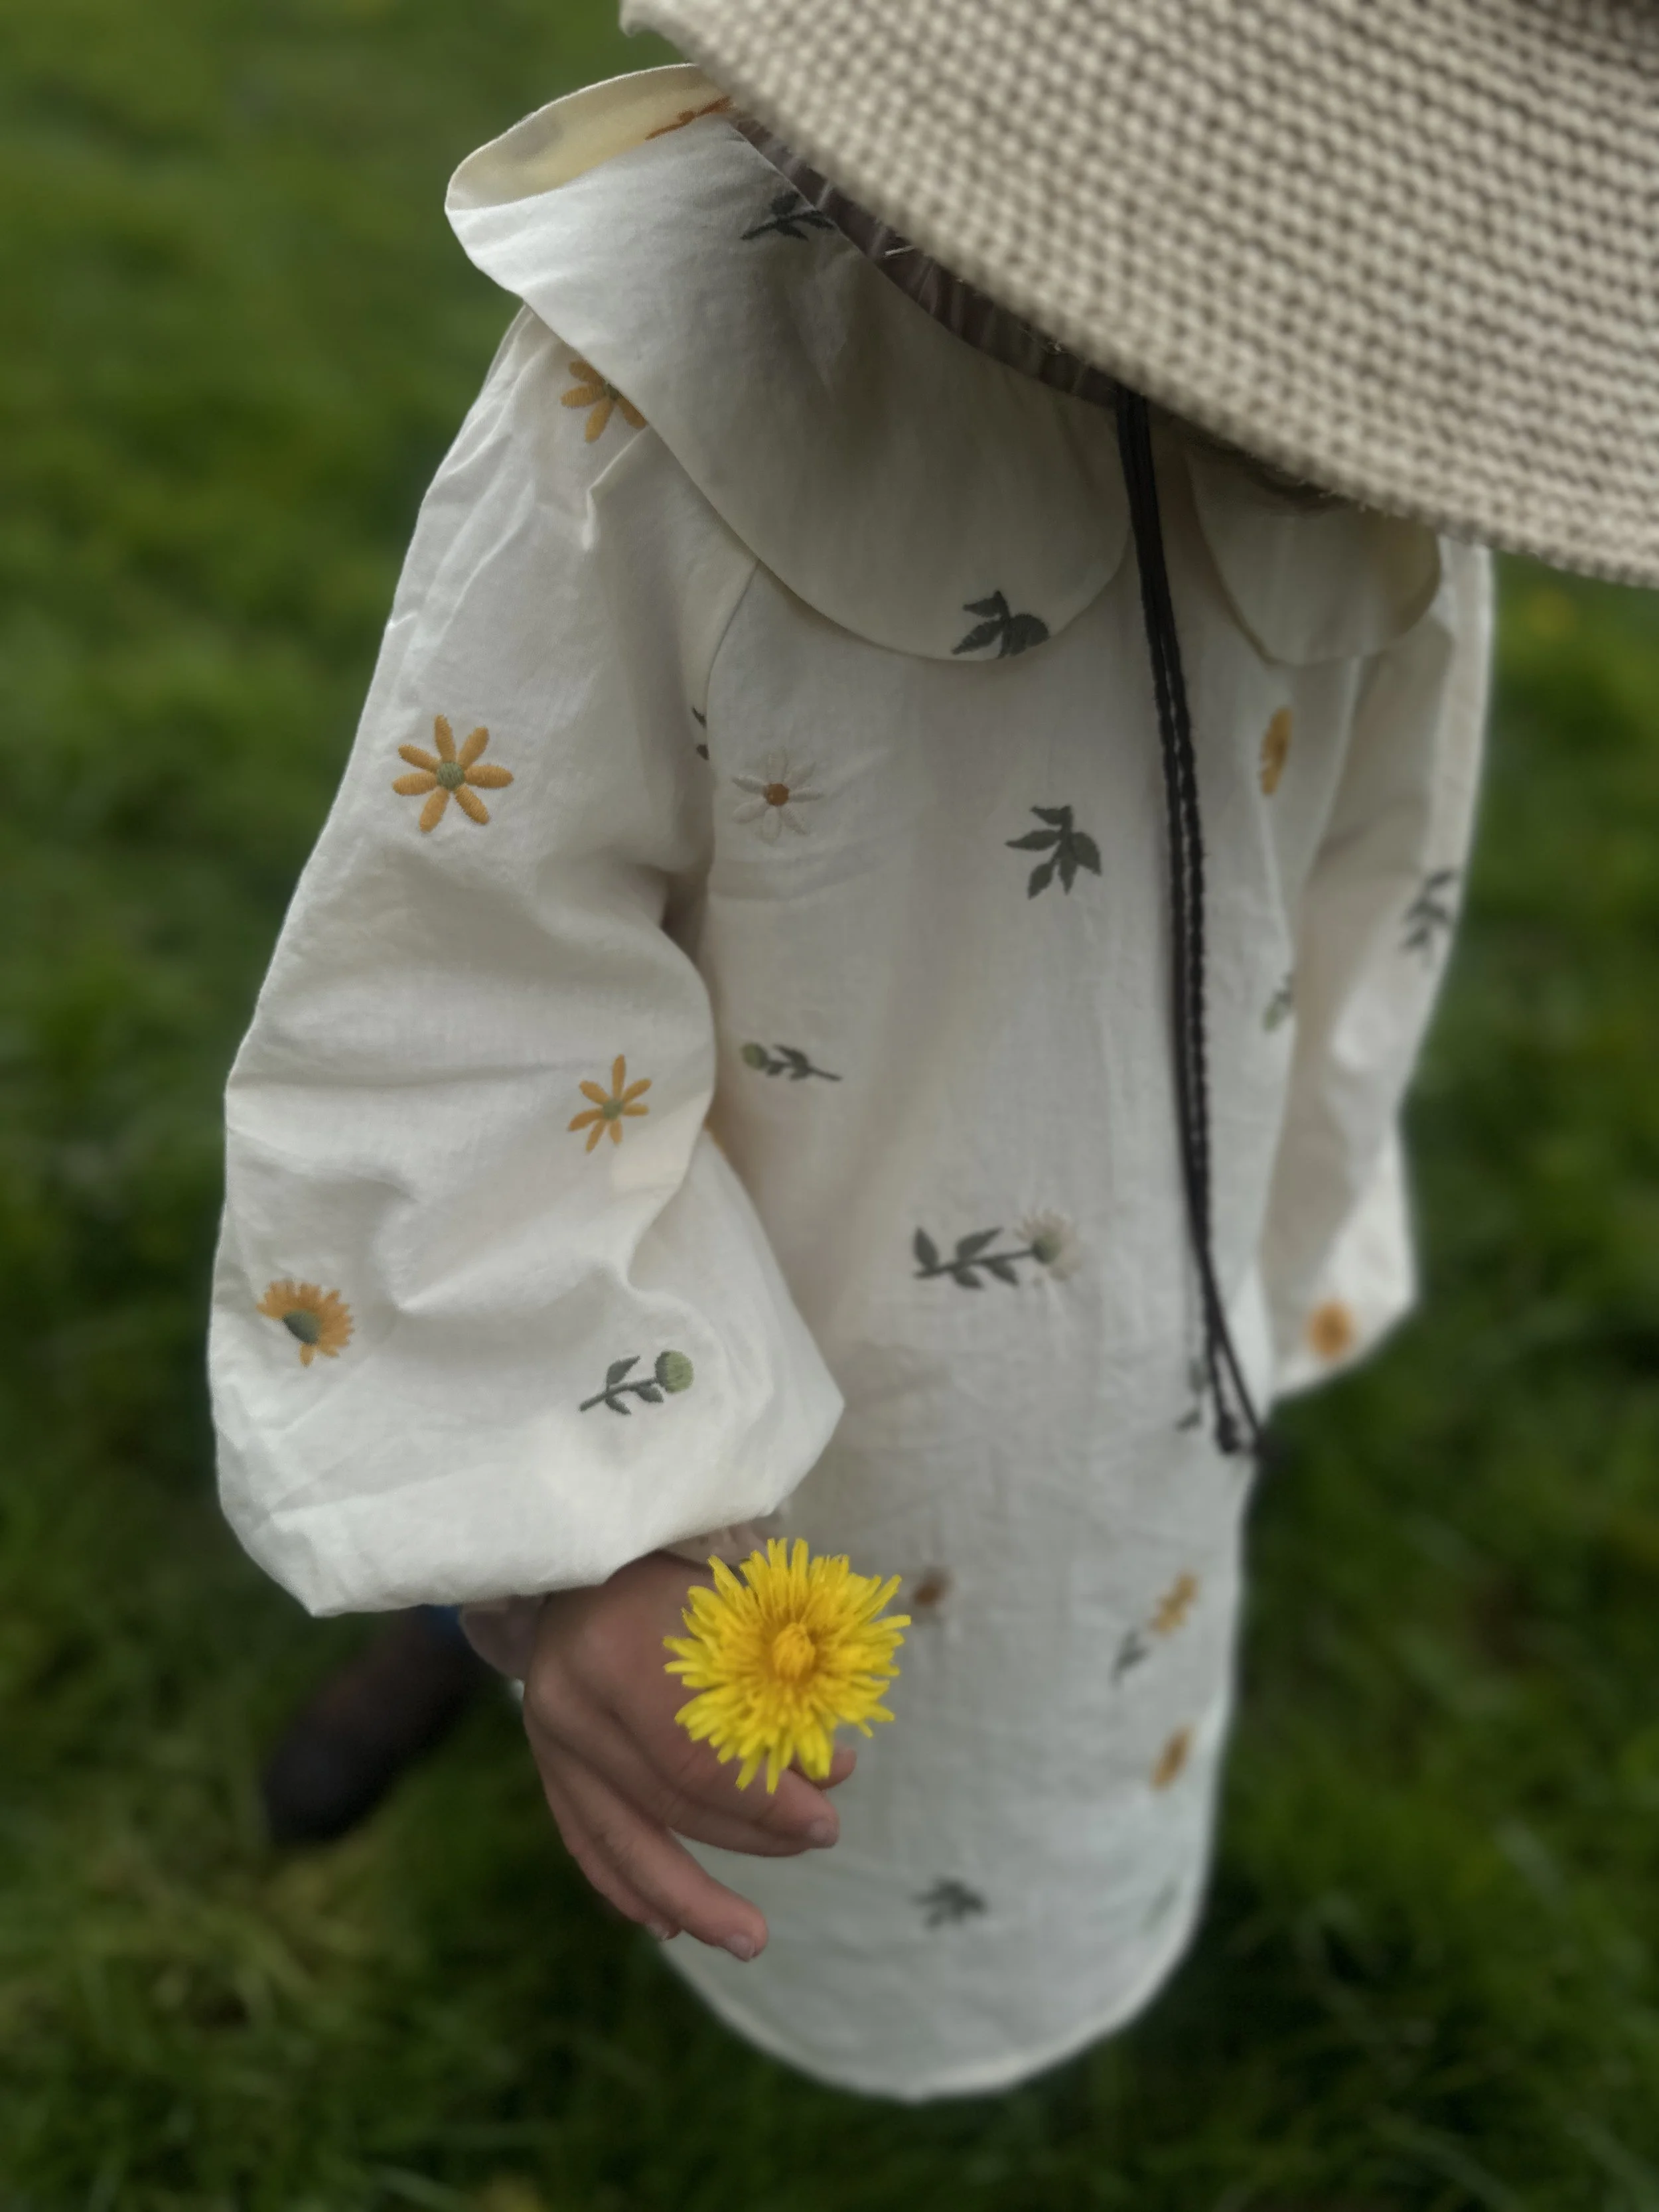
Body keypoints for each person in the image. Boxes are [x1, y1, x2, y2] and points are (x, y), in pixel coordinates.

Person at [208, 0, 1657, 2099]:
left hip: (1107, 1374)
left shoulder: (1375, 458)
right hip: (753, 1287)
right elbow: (466, 1004)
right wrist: (581, 1535)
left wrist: (1270, 1234)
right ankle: (476, 1613)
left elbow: (1362, 877)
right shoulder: (656, 412)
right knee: (622, 1550)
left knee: (1009, 1692)